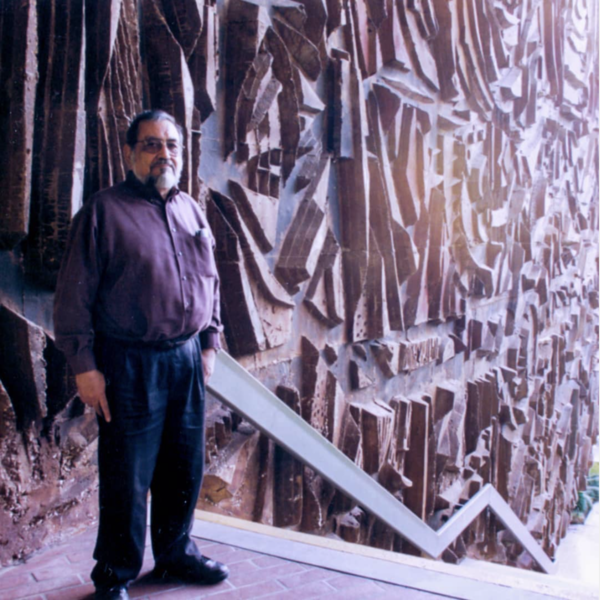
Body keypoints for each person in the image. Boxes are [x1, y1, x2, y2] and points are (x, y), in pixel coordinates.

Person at [54, 110, 229, 600]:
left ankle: (175, 554)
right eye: (151, 145)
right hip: (128, 363)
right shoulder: (103, 212)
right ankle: (114, 573)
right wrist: (85, 367)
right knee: (127, 475)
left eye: (171, 144)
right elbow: (72, 297)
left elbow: (211, 283)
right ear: (130, 153)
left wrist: (210, 343)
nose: (163, 154)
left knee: (184, 466)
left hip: (187, 359)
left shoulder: (192, 210)